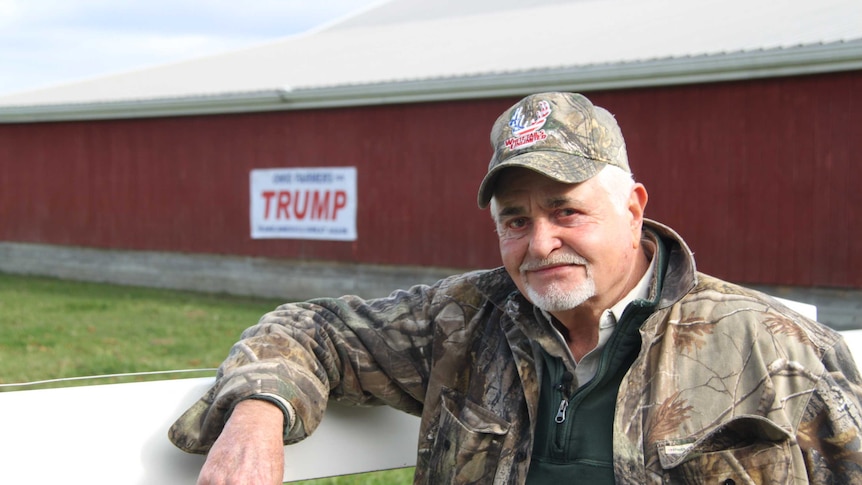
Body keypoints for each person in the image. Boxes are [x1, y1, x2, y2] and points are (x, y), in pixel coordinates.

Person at [170, 92, 862, 484]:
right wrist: (260, 410)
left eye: (567, 211)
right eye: (516, 220)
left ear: (633, 208)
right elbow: (311, 330)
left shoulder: (777, 352)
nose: (539, 244)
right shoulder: (465, 322)